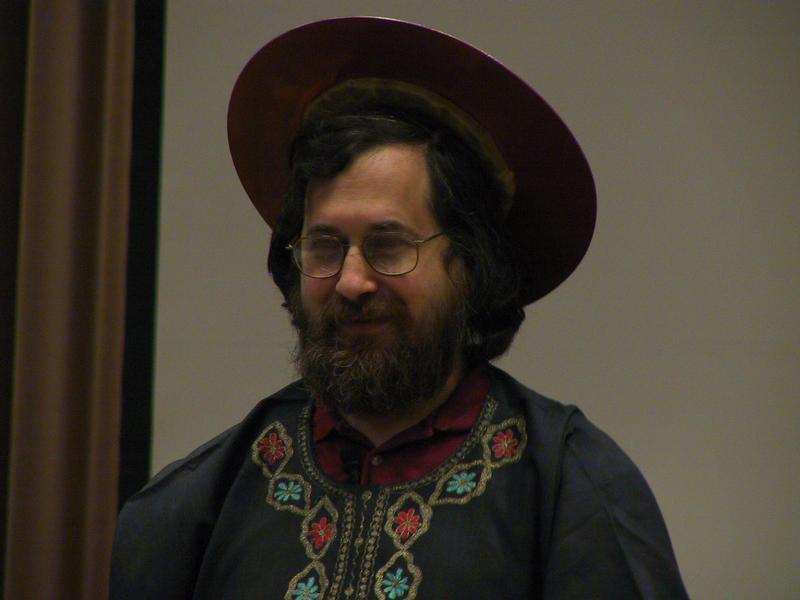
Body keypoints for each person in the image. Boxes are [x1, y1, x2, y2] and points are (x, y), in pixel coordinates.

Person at [112, 17, 688, 599]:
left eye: (389, 247)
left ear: (469, 264)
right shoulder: (190, 509)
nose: (352, 281)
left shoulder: (575, 491)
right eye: (325, 246)